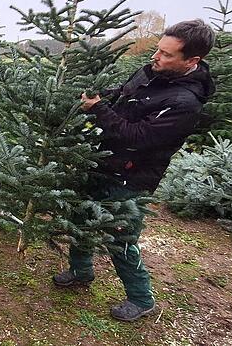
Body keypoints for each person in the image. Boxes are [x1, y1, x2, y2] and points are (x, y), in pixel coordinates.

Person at [52, 19, 216, 322]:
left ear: (192, 61)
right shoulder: (153, 70)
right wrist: (103, 93)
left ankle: (141, 299)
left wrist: (100, 109)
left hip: (132, 176)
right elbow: (126, 91)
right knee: (80, 218)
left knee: (120, 237)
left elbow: (137, 138)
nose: (156, 57)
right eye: (158, 50)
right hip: (102, 161)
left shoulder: (184, 103)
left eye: (167, 54)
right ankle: (80, 271)